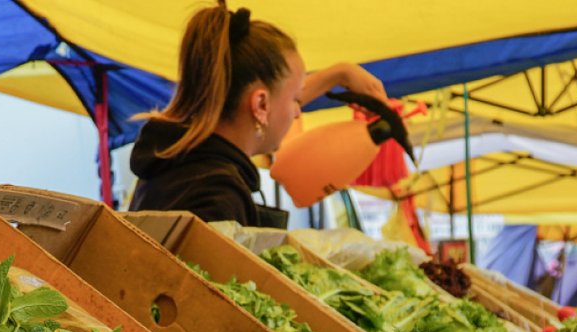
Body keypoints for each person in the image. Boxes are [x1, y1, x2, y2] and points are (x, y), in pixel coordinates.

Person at [129, 2, 387, 227]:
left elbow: (273, 102)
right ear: (261, 105)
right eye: (296, 99)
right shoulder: (216, 197)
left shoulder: (173, 164)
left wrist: (339, 74)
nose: (297, 113)